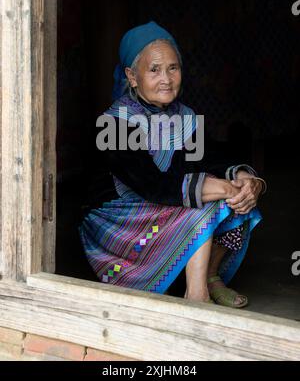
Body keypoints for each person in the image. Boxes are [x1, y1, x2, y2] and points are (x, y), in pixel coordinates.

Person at [79, 21, 266, 308]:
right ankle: (196, 299)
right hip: (120, 220)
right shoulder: (114, 123)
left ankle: (209, 278)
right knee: (201, 209)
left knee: (236, 203)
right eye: (154, 69)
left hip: (164, 209)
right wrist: (221, 188)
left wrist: (243, 179)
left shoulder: (186, 118)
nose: (165, 78)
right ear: (132, 76)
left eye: (173, 68)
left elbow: (211, 159)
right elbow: (151, 185)